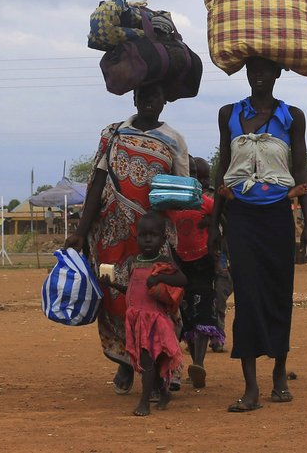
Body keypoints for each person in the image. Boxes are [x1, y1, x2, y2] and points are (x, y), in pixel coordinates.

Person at [208, 56, 307, 413]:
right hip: (239, 218)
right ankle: (251, 386)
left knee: (278, 293)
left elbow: (300, 173)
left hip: (277, 218)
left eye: (265, 69)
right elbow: (222, 171)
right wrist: (214, 224)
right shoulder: (229, 114)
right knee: (248, 297)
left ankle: (280, 373)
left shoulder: (292, 117)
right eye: (252, 69)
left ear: (278, 72)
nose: (258, 75)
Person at [65, 83, 189, 396]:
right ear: (134, 98)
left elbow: (182, 190)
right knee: (116, 298)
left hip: (154, 235)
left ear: (165, 99)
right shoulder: (113, 134)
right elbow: (97, 184)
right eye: (143, 96)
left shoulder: (173, 140)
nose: (149, 101)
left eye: (156, 95)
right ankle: (124, 359)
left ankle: (167, 364)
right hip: (112, 234)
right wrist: (81, 232)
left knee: (160, 297)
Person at [99, 213, 187, 416]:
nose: (148, 240)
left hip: (155, 320)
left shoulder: (163, 262)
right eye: (143, 235)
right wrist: (111, 284)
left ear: (163, 239)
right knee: (150, 363)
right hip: (137, 320)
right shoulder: (134, 261)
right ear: (136, 237)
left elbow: (182, 280)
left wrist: (160, 278)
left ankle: (144, 402)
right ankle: (164, 394)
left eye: (153, 235)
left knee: (148, 362)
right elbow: (131, 288)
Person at [165, 156, 222, 388]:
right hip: (179, 264)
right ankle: (183, 363)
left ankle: (198, 363)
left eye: (199, 177)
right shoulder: (170, 205)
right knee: (185, 312)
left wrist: (212, 223)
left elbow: (222, 219)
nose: (196, 180)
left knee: (204, 310)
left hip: (203, 264)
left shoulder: (205, 202)